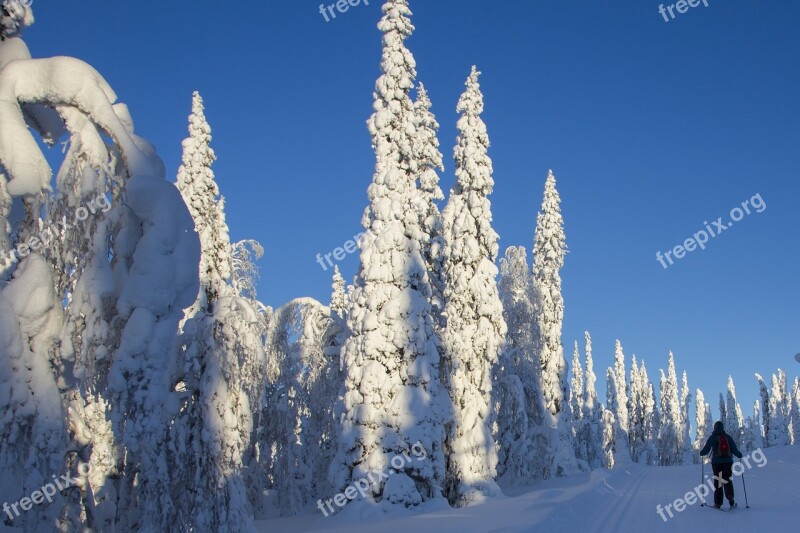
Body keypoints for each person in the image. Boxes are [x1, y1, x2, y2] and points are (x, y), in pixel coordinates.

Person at [700, 420, 743, 509]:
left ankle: (718, 503)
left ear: (715, 428)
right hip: (728, 462)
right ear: (722, 428)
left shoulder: (712, 437)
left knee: (718, 482)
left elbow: (706, 450)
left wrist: (702, 453)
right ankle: (730, 497)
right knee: (727, 480)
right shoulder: (727, 437)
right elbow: (734, 449)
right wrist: (739, 454)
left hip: (716, 463)